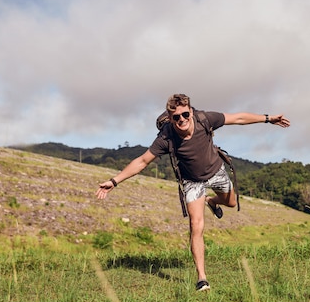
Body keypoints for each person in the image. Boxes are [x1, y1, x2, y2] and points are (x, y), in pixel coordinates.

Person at [96, 93, 290, 291]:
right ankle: (202, 279)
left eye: (185, 114)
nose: (181, 120)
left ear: (191, 111)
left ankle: (212, 201)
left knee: (231, 202)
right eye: (176, 117)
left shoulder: (205, 119)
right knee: (196, 226)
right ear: (170, 119)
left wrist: (267, 119)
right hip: (192, 182)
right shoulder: (166, 137)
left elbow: (237, 118)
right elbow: (142, 161)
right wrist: (115, 181)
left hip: (216, 172)